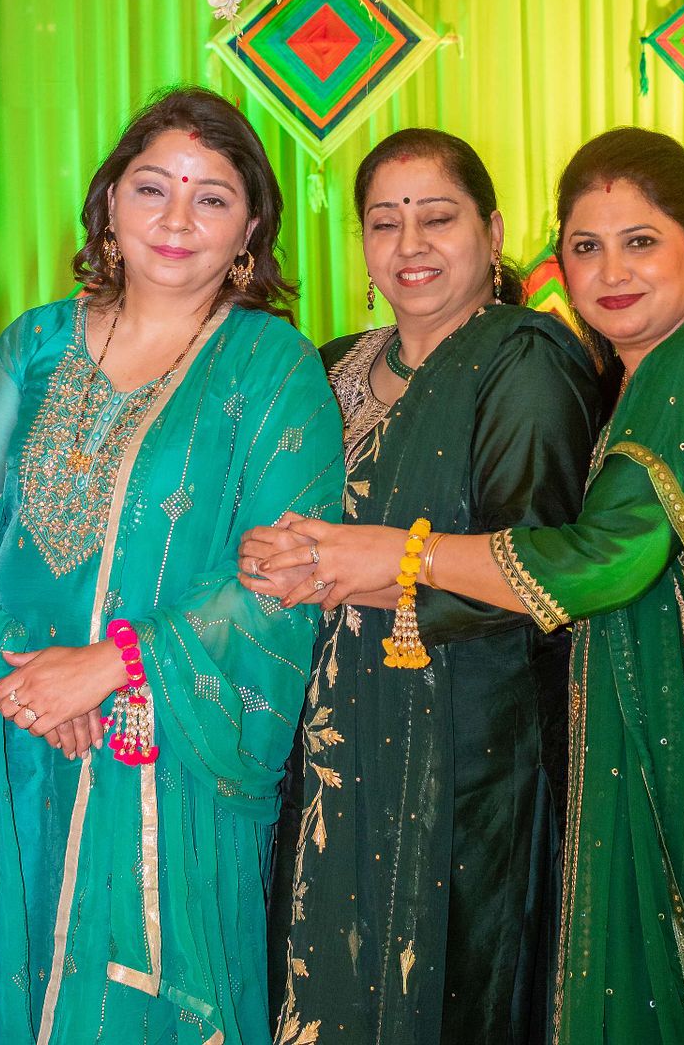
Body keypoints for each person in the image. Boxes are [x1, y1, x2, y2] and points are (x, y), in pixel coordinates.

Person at [246, 127, 684, 1045]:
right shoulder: (636, 381)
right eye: (585, 246)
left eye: (640, 241)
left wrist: (397, 558)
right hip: (683, 735)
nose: (612, 270)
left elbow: (598, 558)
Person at [0, 87, 344, 1045]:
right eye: (152, 188)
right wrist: (31, 680)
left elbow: (287, 572)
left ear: (250, 229)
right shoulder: (38, 343)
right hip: (14, 732)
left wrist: (111, 668)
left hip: (161, 746)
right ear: (109, 205)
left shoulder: (273, 368)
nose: (177, 220)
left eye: (212, 198)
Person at [240, 129, 608, 1045]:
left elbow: (540, 573)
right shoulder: (328, 365)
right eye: (384, 223)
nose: (410, 245)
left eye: (437, 218)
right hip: (324, 745)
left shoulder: (524, 359)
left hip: (465, 761)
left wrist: (366, 567)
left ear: (493, 232)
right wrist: (263, 554)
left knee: (448, 996)